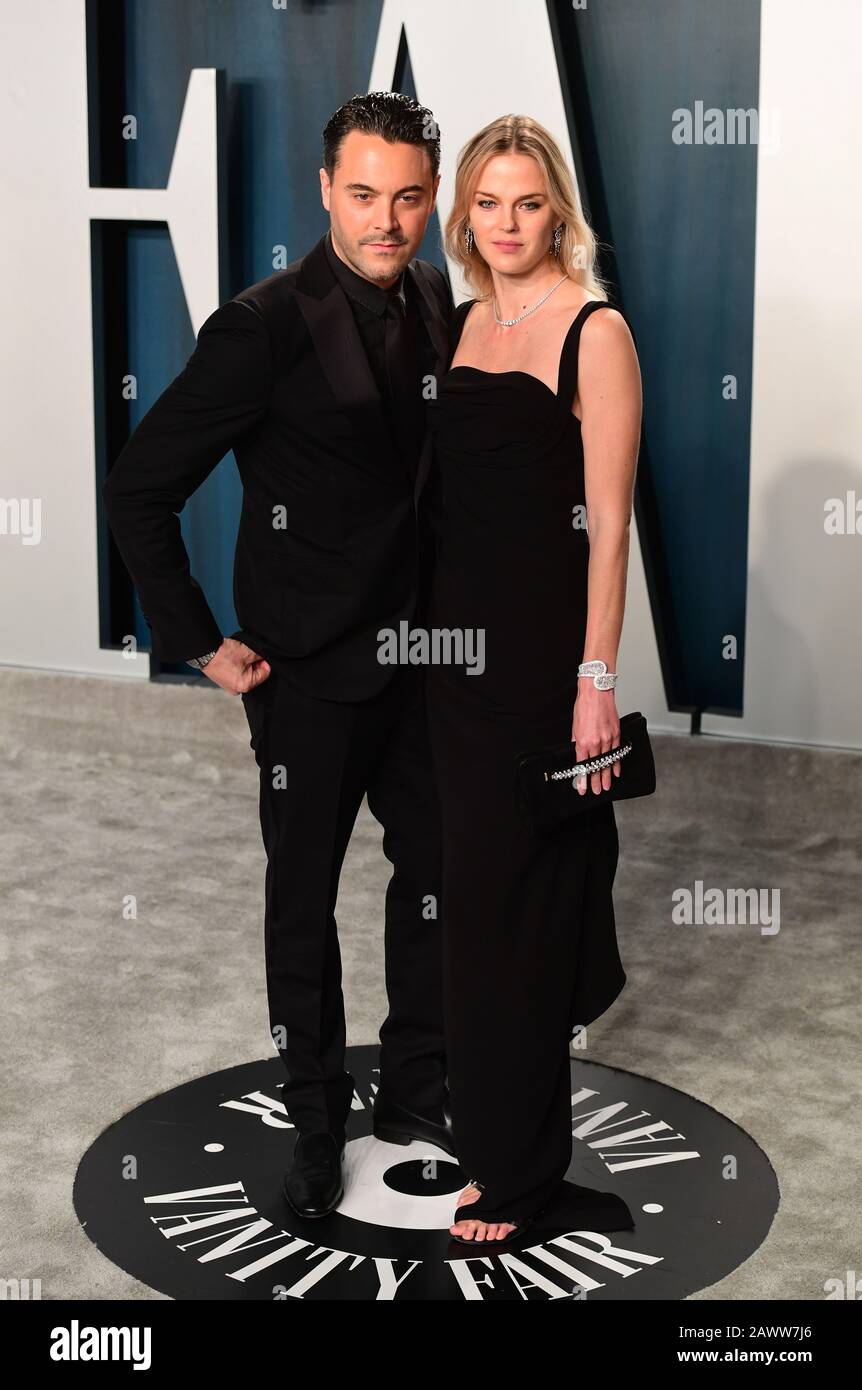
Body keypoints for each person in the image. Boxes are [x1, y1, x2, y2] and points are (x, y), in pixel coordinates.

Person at [102, 91, 456, 1220]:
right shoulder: (259, 325)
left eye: (407, 196)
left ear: (430, 195)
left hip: (422, 662)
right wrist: (198, 638)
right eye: (363, 195)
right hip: (303, 672)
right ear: (323, 191)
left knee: (441, 875)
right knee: (302, 904)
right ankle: (314, 1122)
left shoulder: (439, 301)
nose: (385, 220)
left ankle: (412, 1088)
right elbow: (141, 486)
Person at [425, 114, 643, 1244]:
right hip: (450, 671)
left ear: (557, 209)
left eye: (527, 203)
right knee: (470, 914)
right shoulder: (457, 323)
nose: (506, 225)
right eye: (487, 204)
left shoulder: (592, 332)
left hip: (542, 673)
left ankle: (520, 1175)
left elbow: (607, 528)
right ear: (464, 214)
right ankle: (496, 1146)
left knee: (525, 912)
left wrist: (594, 678)